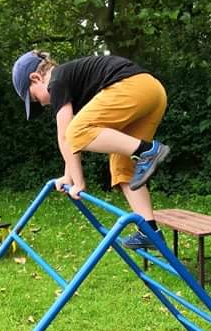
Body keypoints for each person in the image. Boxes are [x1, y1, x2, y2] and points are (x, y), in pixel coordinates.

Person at [11, 49, 170, 249]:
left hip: (133, 86)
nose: (41, 104)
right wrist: (68, 177)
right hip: (153, 91)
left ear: (36, 78)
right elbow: (72, 144)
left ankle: (148, 151)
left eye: (34, 98)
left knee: (75, 131)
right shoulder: (73, 85)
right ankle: (150, 231)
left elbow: (66, 136)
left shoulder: (56, 81)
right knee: (121, 165)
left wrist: (78, 183)